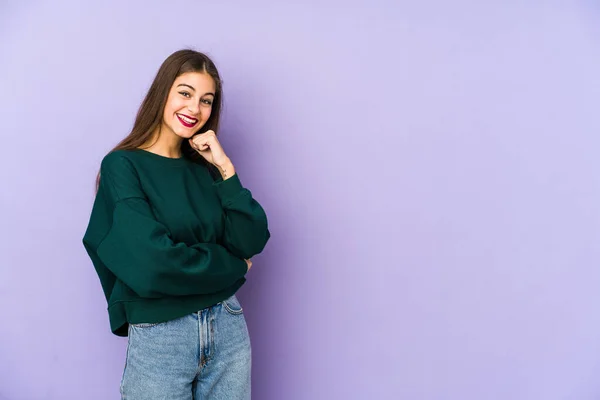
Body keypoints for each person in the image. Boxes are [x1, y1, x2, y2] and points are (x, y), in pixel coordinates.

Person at [82, 49, 270, 399]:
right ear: (163, 92)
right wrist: (231, 266)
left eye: (206, 100)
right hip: (162, 334)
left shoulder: (205, 168)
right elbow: (152, 263)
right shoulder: (123, 167)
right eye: (185, 93)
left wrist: (225, 166)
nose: (194, 109)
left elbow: (251, 240)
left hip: (227, 327)